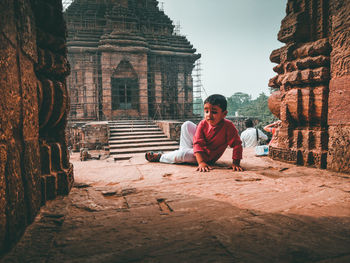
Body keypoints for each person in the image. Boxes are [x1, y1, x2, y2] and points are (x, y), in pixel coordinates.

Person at [145, 94, 244, 172]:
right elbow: (198, 142)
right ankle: (182, 152)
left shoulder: (228, 126)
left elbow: (237, 144)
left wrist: (236, 163)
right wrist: (200, 162)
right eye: (206, 111)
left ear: (224, 114)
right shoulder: (203, 124)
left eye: (214, 112)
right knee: (187, 125)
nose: (209, 115)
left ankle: (161, 157)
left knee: (183, 154)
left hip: (207, 157)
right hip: (199, 151)